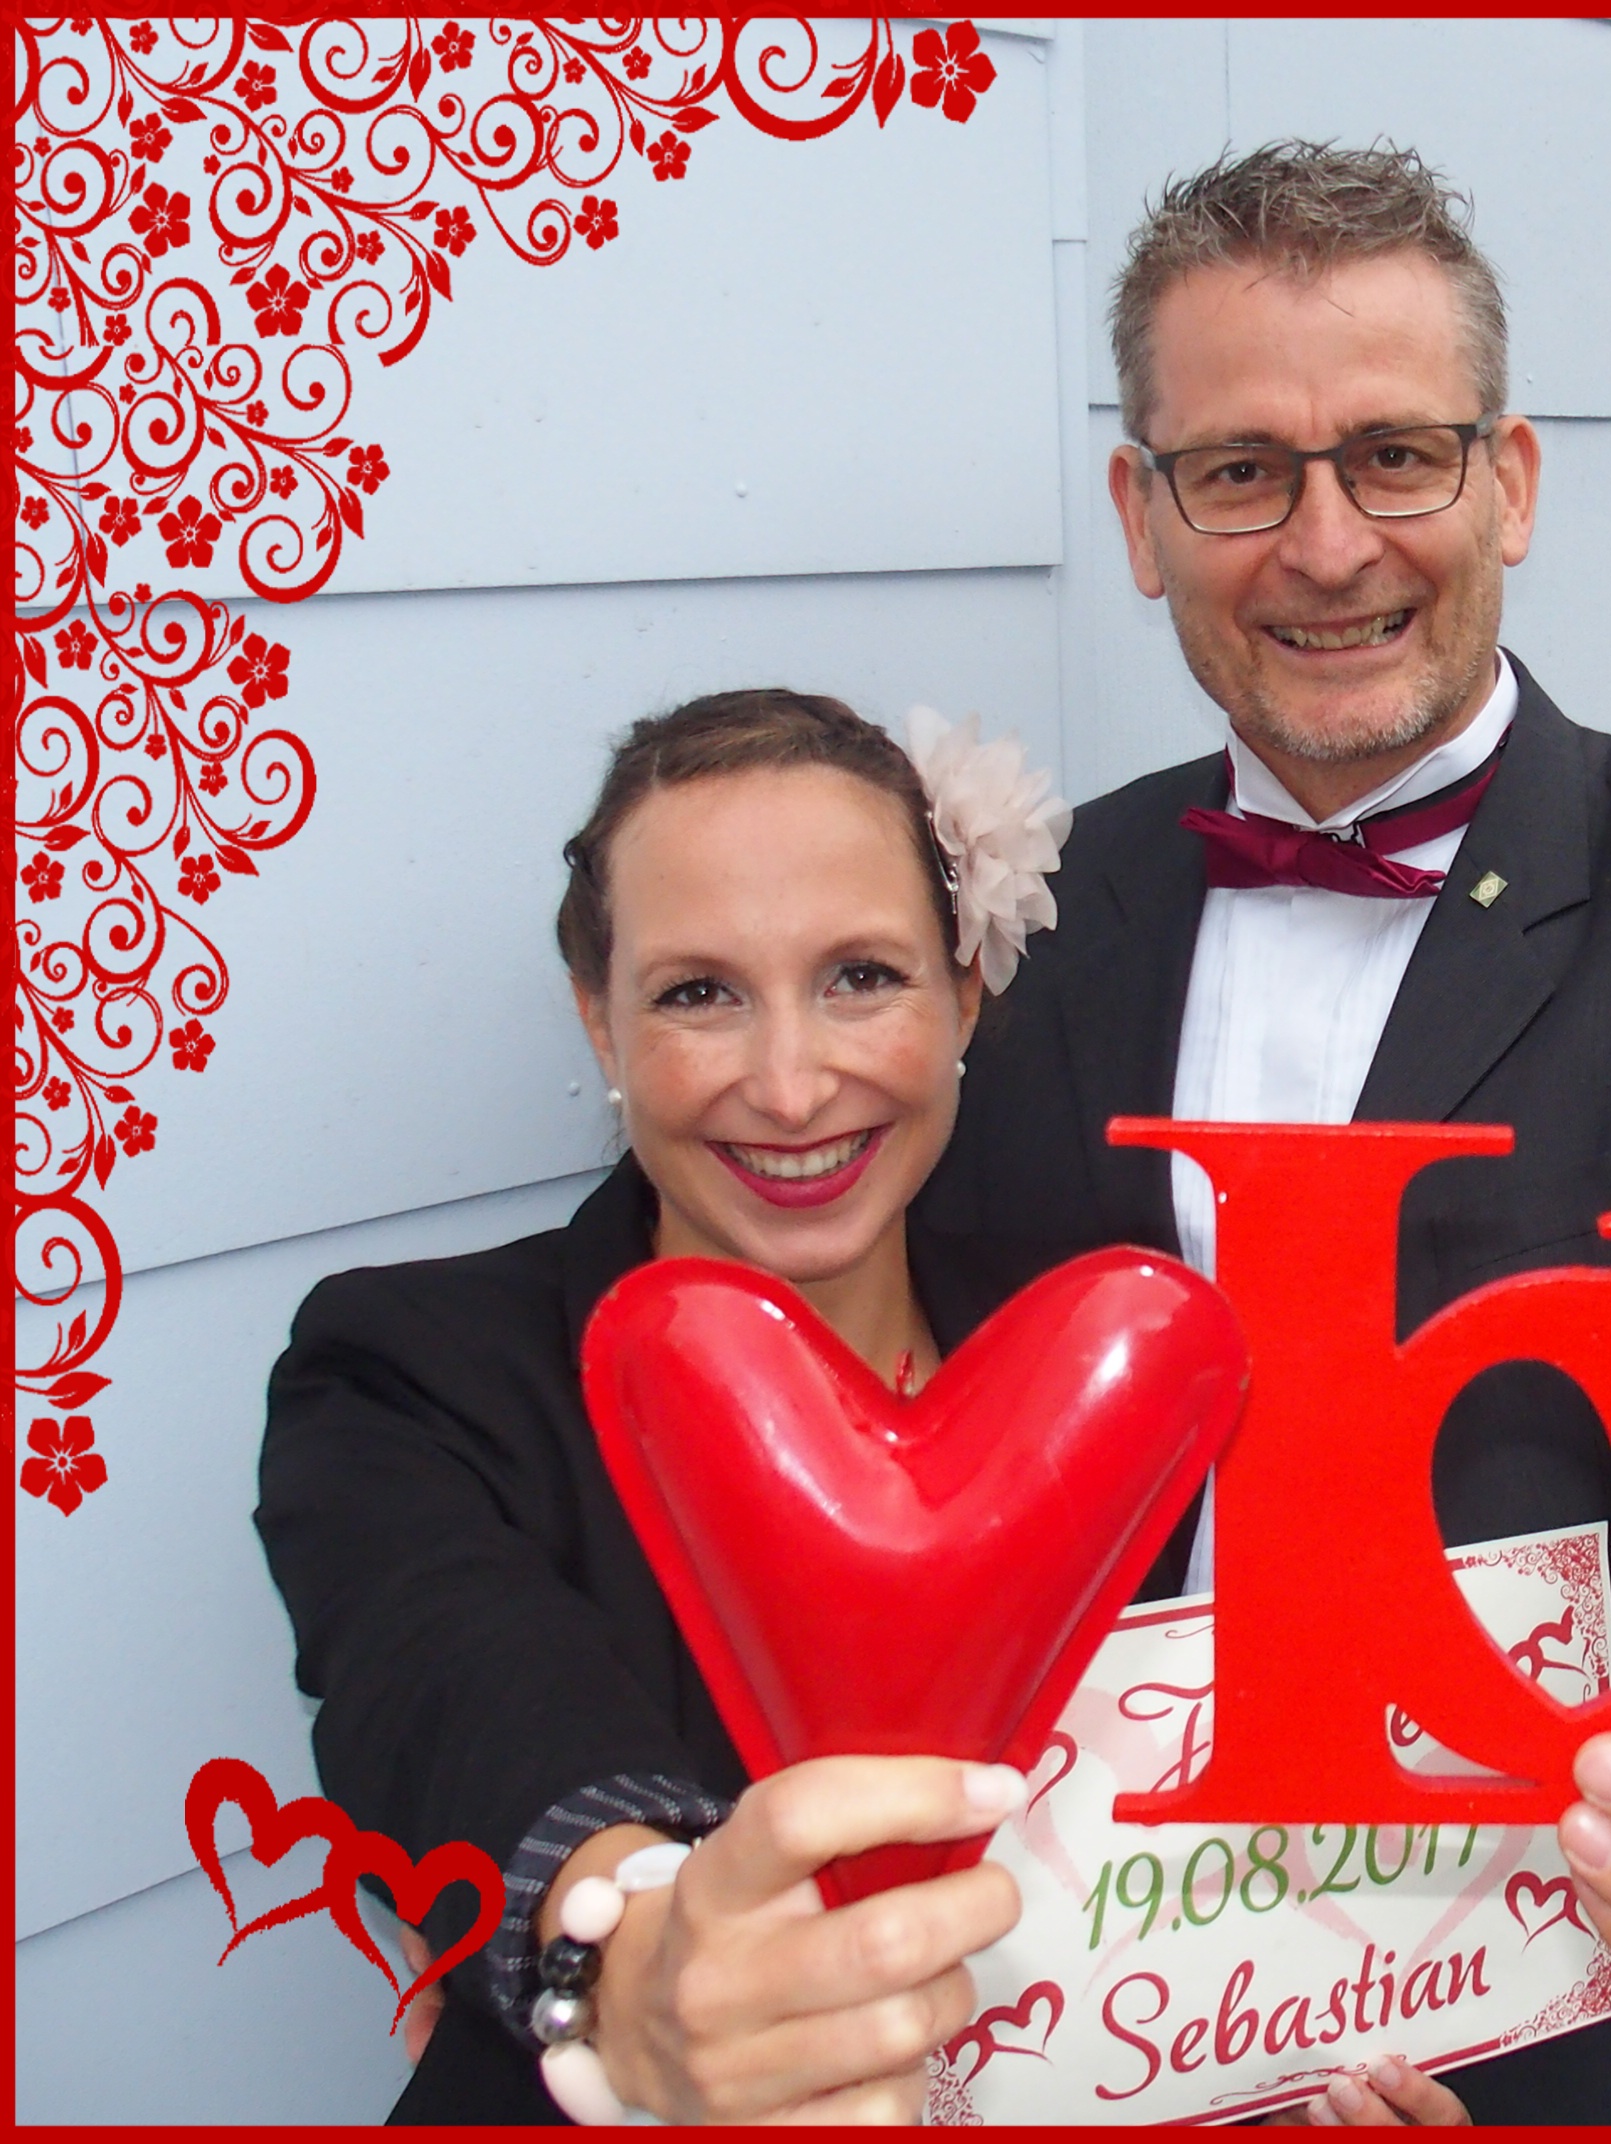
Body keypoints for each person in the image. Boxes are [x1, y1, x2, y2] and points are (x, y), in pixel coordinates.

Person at [917, 142, 1611, 2122]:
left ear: (1510, 483)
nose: (1327, 545)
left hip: (1556, 2018)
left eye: (1396, 457)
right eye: (1243, 471)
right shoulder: (1035, 919)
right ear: (1142, 518)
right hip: (1076, 2009)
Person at [256, 691, 1452, 2126]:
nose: (790, 1085)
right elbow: (445, 1677)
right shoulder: (411, 1370)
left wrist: (1285, 2070)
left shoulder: (1102, 1368)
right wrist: (631, 1948)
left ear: (966, 994)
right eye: (698, 994)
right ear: (598, 1019)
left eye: (862, 977)